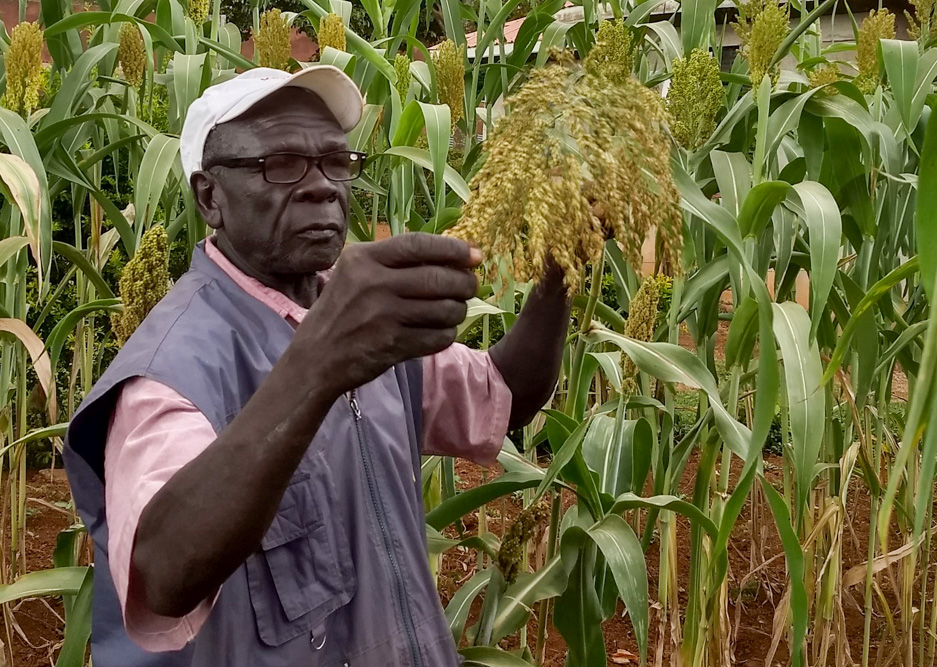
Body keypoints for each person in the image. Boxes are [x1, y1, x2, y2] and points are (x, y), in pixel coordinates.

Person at [64, 65, 572, 666]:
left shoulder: (363, 318)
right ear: (210, 198)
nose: (321, 186)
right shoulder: (169, 375)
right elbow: (165, 573)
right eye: (280, 165)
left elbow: (505, 393)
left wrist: (562, 261)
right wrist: (321, 360)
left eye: (336, 162)